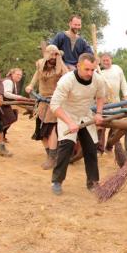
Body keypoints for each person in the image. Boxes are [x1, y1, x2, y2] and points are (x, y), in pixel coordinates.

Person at [49, 53, 106, 195]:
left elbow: (100, 97)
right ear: (78, 66)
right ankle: (57, 181)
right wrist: (69, 122)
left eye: (92, 70)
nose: (90, 73)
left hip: (85, 116)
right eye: (86, 69)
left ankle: (93, 183)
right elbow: (54, 105)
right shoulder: (66, 80)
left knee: (91, 149)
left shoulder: (98, 80)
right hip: (67, 114)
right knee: (66, 147)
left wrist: (98, 113)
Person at [25, 45, 68, 169]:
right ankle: (50, 156)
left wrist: (59, 59)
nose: (53, 57)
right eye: (51, 54)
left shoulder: (61, 67)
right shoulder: (40, 65)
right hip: (42, 103)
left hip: (56, 103)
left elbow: (67, 75)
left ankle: (52, 158)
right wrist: (30, 86)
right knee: (42, 132)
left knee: (52, 130)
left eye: (55, 54)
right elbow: (36, 76)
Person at [97, 52, 127, 152]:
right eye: (103, 60)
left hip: (116, 101)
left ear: (111, 60)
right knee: (102, 125)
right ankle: (99, 148)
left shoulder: (117, 68)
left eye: (107, 60)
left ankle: (109, 146)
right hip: (104, 102)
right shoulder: (99, 72)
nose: (106, 62)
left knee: (115, 125)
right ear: (101, 62)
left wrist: (126, 95)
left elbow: (123, 82)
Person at [0, 68, 29, 143]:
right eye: (17, 74)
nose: (19, 76)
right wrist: (20, 97)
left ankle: (0, 136)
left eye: (20, 75)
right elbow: (6, 94)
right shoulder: (8, 81)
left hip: (4, 104)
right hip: (0, 103)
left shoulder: (12, 82)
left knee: (11, 117)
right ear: (12, 74)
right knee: (8, 119)